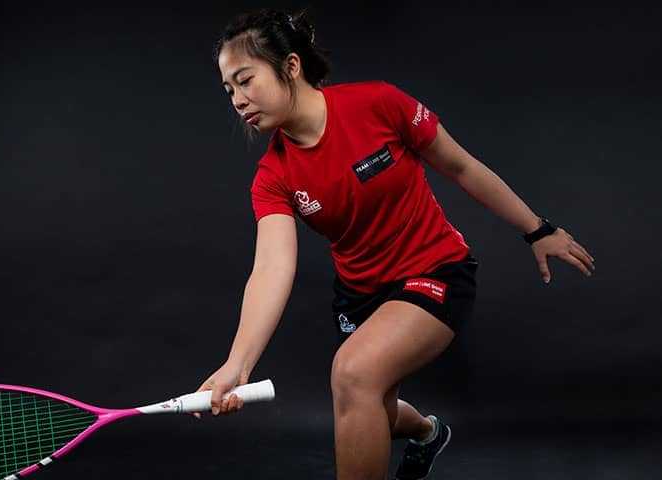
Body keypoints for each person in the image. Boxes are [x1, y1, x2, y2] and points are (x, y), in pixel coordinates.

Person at [193, 8, 595, 480]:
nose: (238, 100)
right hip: (363, 296)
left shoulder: (378, 104)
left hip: (435, 271)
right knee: (369, 403)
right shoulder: (273, 176)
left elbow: (461, 167)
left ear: (291, 67)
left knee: (353, 375)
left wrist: (538, 229)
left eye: (245, 80)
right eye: (229, 91)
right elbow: (272, 268)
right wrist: (237, 365)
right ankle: (427, 432)